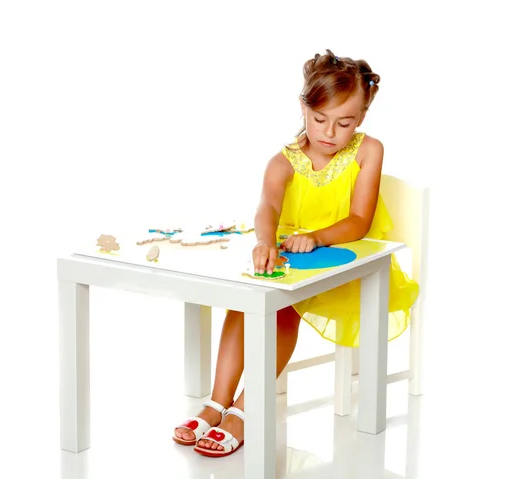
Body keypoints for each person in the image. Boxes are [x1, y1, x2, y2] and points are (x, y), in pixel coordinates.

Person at [172, 49, 419, 458]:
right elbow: (266, 207)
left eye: (345, 123)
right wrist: (265, 241)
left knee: (282, 307)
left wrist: (317, 236)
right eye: (320, 119)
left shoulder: (367, 151)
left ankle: (247, 410)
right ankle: (217, 403)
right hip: (292, 258)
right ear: (304, 107)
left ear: (361, 119)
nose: (329, 132)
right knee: (250, 302)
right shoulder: (282, 160)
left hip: (351, 267)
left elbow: (359, 220)